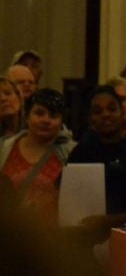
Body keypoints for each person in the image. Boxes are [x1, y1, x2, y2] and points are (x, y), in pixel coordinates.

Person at [68, 86, 126, 241]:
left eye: (112, 109)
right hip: (85, 240)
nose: (106, 115)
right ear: (90, 118)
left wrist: (109, 221)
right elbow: (66, 197)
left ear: (122, 113)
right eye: (98, 111)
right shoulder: (81, 151)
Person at [0, 88, 76, 223]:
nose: (46, 120)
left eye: (53, 115)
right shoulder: (4, 148)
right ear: (27, 116)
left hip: (53, 235)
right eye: (39, 113)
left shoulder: (72, 152)